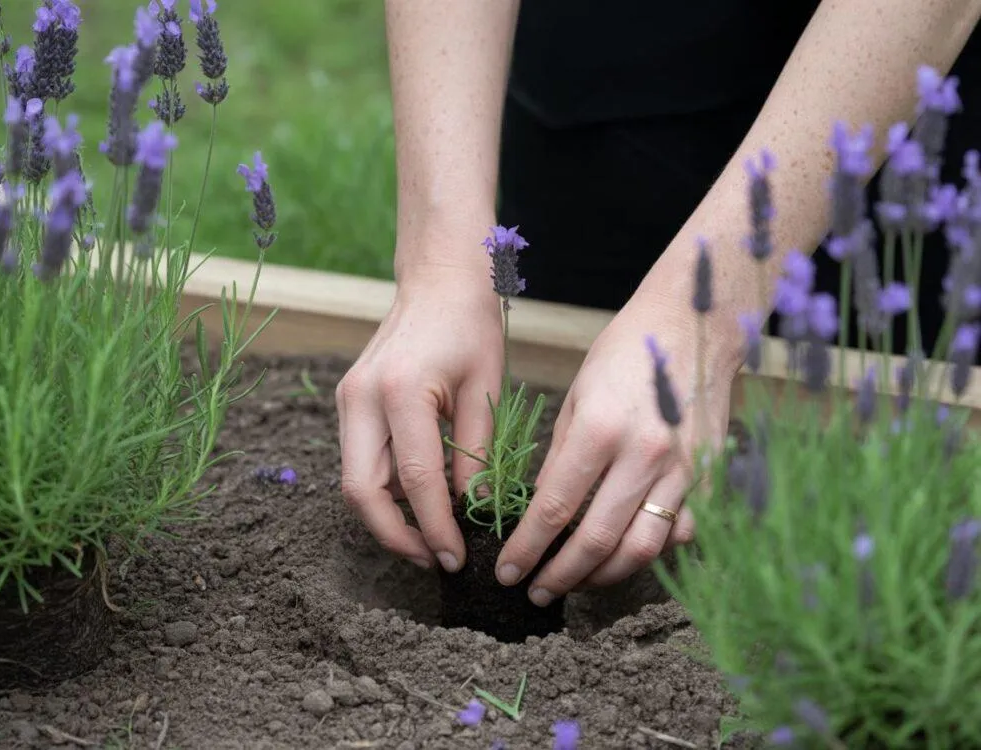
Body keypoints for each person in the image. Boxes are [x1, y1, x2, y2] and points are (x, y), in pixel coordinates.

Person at [335, 0, 981, 609]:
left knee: (903, 506)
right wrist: (444, 262)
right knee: (590, 443)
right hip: (626, 49)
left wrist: (703, 314)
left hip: (900, 71)